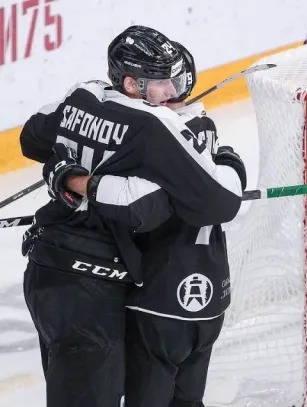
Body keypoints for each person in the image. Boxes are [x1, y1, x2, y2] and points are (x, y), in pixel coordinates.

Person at [20, 25, 243, 407]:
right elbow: (221, 202)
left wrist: (67, 171)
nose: (172, 93)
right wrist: (226, 158)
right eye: (161, 83)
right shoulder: (155, 129)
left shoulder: (83, 95)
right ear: (130, 84)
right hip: (87, 284)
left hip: (47, 269)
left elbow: (32, 140)